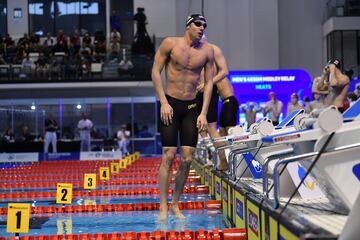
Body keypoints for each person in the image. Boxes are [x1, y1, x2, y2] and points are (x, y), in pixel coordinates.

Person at [151, 14, 214, 221]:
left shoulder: (207, 52)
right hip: (170, 105)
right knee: (168, 155)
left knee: (187, 159)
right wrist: (163, 102)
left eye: (204, 25)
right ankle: (162, 206)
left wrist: (204, 113)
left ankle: (175, 204)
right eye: (198, 24)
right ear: (188, 25)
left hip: (192, 107)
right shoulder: (170, 44)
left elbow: (209, 84)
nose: (201, 28)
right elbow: (155, 71)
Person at [197, 35, 239, 170]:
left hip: (222, 98)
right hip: (203, 93)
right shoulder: (195, 53)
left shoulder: (212, 51)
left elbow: (224, 71)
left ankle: (224, 161)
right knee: (204, 129)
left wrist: (206, 84)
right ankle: (212, 158)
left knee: (215, 129)